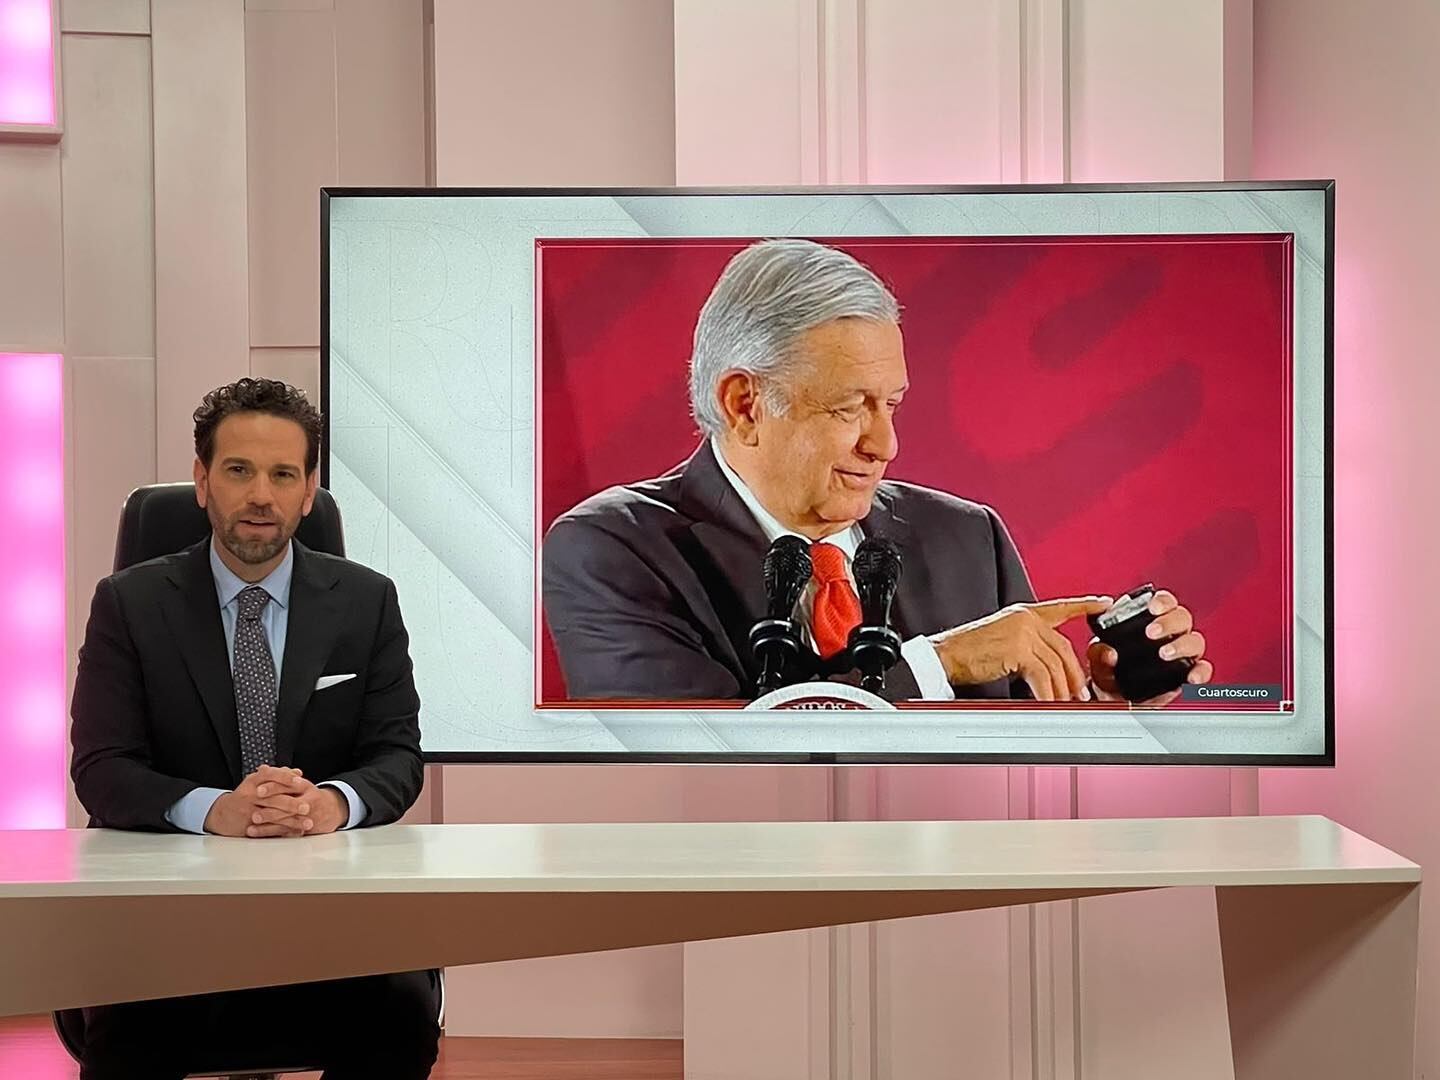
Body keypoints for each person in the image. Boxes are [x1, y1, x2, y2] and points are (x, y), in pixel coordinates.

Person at [542, 239, 1214, 704]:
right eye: (848, 408)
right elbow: (703, 765)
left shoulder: (968, 538)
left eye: (891, 404)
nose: (885, 444)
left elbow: (1016, 765)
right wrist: (939, 663)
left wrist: (1100, 702)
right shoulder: (610, 551)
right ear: (745, 405)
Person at [69, 378, 438, 1079]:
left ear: (309, 491)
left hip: (329, 917)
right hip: (168, 921)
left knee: (401, 1020)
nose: (261, 495)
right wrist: (216, 810)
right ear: (202, 480)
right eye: (239, 470)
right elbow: (102, 767)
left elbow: (396, 756)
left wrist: (330, 804)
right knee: (127, 1041)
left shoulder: (367, 601)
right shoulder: (129, 604)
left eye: (283, 475)